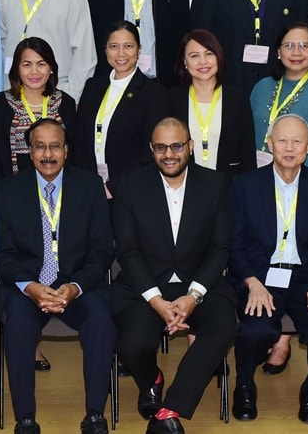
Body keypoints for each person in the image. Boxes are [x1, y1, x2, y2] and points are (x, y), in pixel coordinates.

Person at [111, 117, 237, 434]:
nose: (169, 154)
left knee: (223, 325)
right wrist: (157, 301)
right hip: (146, 287)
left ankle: (169, 410)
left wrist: (192, 297)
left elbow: (220, 248)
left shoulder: (216, 183)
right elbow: (127, 251)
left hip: (199, 285)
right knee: (131, 344)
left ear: (190, 147)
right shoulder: (130, 186)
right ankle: (151, 379)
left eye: (177, 146)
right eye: (161, 147)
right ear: (152, 150)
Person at [0, 118, 116, 434]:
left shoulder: (90, 187)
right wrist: (31, 287)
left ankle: (94, 415)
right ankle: (25, 419)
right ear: (30, 152)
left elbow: (102, 250)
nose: (47, 154)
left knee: (102, 321)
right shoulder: (8, 191)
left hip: (77, 285)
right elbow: (2, 254)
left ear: (66, 150)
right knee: (19, 325)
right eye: (39, 146)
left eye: (55, 146)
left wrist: (75, 287)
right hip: (28, 286)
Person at [227, 114, 308, 424]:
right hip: (261, 277)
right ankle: (245, 386)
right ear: (269, 144)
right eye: (282, 140)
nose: (289, 148)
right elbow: (234, 247)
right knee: (255, 329)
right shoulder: (245, 186)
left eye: (296, 141)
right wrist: (250, 281)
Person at [71, 21, 169, 198]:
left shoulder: (153, 93)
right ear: (105, 50)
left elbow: (152, 150)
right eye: (114, 46)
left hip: (131, 192)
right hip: (90, 191)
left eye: (128, 46)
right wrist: (87, 184)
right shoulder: (93, 87)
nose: (121, 53)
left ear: (139, 49)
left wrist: (112, 187)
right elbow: (79, 141)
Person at [0, 37, 77, 187]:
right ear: (17, 69)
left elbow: (74, 156)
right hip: (13, 194)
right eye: (27, 65)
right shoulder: (0, 104)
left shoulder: (66, 103)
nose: (34, 71)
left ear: (51, 68)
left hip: (60, 191)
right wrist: (3, 194)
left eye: (41, 64)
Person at [167, 29, 255, 178]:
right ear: (185, 62)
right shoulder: (172, 99)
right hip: (183, 186)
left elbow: (248, 156)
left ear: (218, 57)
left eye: (209, 54)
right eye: (194, 56)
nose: (203, 62)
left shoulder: (238, 99)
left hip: (228, 187)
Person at [250, 22, 308, 173]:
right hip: (255, 177)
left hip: (296, 182)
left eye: (304, 46)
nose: (296, 52)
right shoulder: (262, 87)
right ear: (279, 51)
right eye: (288, 46)